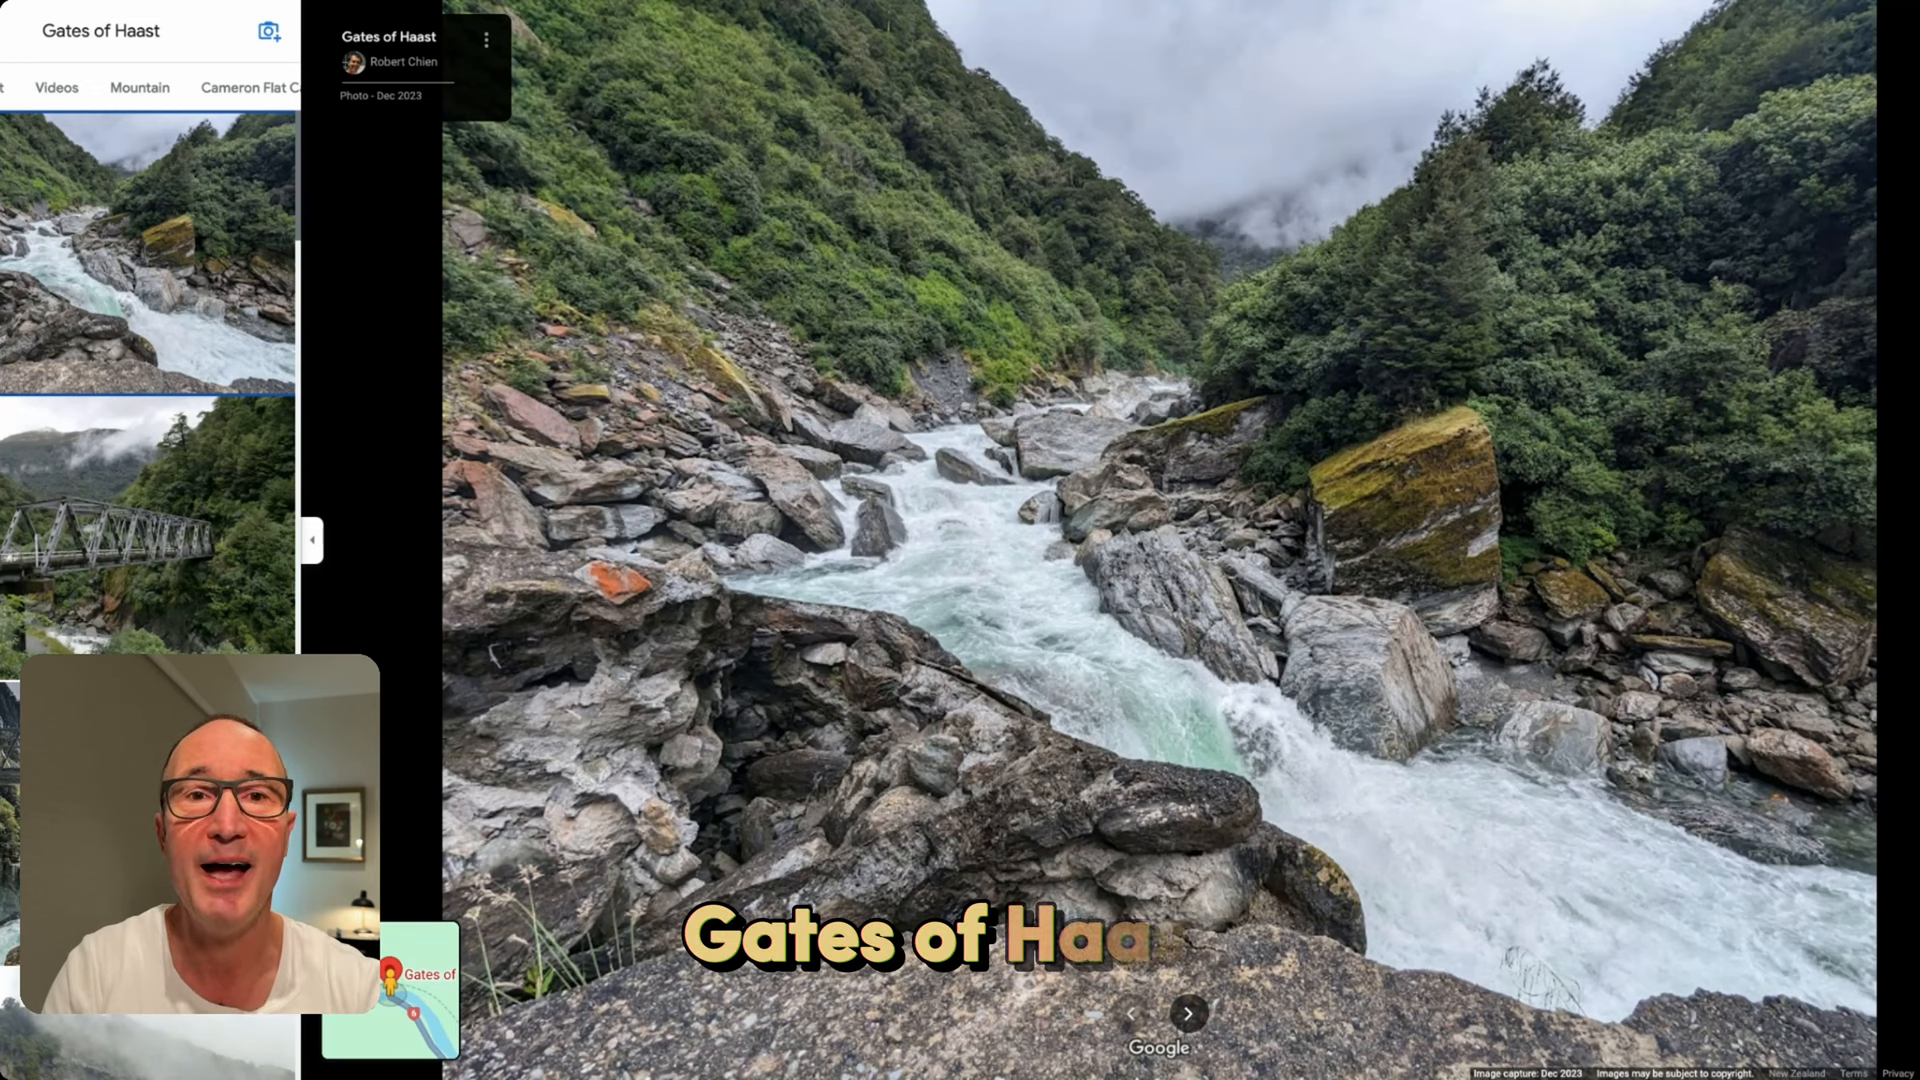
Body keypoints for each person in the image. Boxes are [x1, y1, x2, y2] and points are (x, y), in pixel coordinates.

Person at [39, 715, 379, 1013]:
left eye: (257, 795)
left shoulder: (361, 990)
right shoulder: (93, 972)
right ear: (163, 836)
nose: (227, 827)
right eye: (197, 794)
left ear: (286, 835)